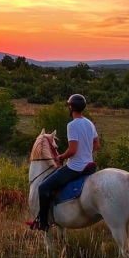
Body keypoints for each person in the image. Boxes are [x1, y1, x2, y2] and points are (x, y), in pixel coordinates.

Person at [29, 94, 100, 232]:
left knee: (43, 187)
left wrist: (61, 157)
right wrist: (86, 152)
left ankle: (43, 223)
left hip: (75, 167)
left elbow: (72, 150)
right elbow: (97, 144)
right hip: (89, 167)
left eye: (69, 106)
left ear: (71, 107)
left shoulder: (72, 125)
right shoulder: (89, 123)